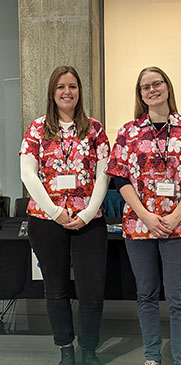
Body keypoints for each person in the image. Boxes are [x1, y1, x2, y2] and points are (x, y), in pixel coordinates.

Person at [106, 66, 181, 365]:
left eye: (157, 83)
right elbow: (120, 179)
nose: (152, 89)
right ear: (140, 95)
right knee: (146, 295)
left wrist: (175, 215)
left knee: (180, 300)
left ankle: (180, 359)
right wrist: (145, 216)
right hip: (138, 225)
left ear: (168, 87)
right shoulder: (128, 132)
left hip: (178, 225)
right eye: (145, 87)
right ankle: (152, 357)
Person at [19, 66, 110, 365]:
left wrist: (87, 214)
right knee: (55, 289)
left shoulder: (95, 129)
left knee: (92, 291)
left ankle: (89, 349)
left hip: (89, 221)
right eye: (60, 87)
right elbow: (28, 175)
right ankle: (66, 350)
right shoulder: (37, 129)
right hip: (47, 221)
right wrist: (56, 212)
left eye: (72, 86)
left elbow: (103, 176)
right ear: (52, 92)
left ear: (80, 91)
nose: (67, 92)